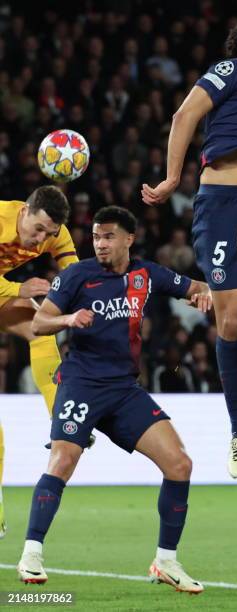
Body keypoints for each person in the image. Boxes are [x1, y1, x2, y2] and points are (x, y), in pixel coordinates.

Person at [17, 206, 211, 594]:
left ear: (128, 239)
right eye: (95, 237)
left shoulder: (147, 274)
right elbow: (39, 323)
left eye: (108, 237)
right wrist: (68, 320)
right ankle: (31, 552)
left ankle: (166, 561)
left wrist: (202, 295)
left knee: (180, 463)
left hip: (123, 390)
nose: (100, 244)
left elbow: (194, 287)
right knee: (63, 459)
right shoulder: (76, 276)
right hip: (81, 384)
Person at [141, 20, 237, 478]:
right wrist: (172, 178)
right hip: (221, 204)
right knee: (229, 321)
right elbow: (184, 115)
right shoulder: (233, 71)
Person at [0, 185, 78, 538]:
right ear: (25, 210)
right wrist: (19, 289)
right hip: (6, 290)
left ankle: (59, 416)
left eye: (49, 233)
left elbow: (76, 274)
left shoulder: (54, 234)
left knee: (40, 329)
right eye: (38, 230)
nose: (41, 240)